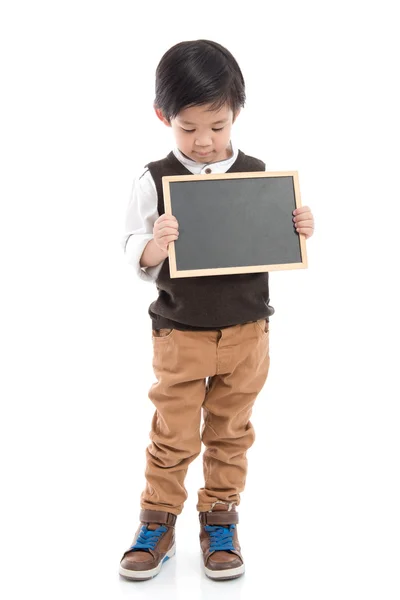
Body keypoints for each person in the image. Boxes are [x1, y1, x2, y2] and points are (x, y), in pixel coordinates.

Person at [119, 39, 315, 582]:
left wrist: (297, 227)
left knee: (231, 431)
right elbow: (134, 251)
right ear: (164, 117)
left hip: (248, 331)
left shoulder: (258, 173)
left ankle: (220, 519)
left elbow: (275, 240)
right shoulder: (153, 178)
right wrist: (157, 242)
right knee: (173, 433)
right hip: (180, 333)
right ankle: (157, 520)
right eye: (189, 129)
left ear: (236, 116)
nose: (204, 141)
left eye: (218, 127)